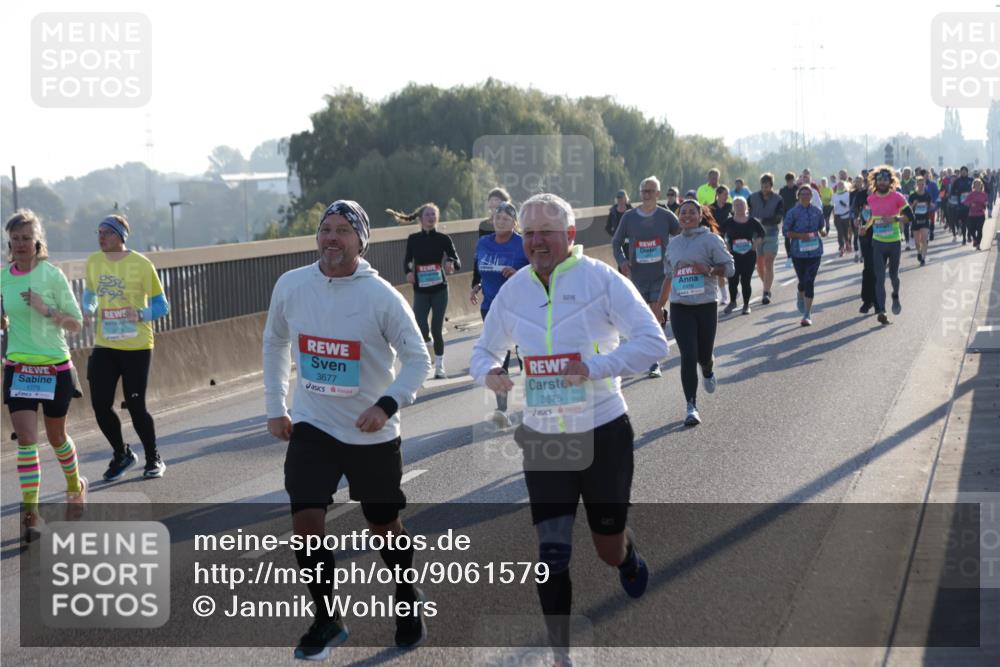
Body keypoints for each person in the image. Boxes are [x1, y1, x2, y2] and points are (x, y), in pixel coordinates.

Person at [470, 193, 667, 667]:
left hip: (603, 431)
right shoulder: (515, 291)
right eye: (529, 233)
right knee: (552, 552)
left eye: (546, 233)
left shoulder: (601, 281)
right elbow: (482, 352)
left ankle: (627, 556)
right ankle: (562, 654)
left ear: (570, 236)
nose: (536, 242)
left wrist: (595, 367)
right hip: (544, 439)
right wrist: (490, 374)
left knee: (607, 548)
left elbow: (654, 343)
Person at [263, 200, 432, 659]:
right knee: (305, 522)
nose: (331, 237)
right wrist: (276, 405)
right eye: (325, 229)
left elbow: (419, 360)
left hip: (370, 430)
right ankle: (327, 618)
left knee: (383, 524)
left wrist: (386, 403)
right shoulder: (293, 285)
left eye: (343, 230)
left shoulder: (381, 297)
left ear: (361, 240)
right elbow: (276, 340)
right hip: (313, 424)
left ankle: (405, 593)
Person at [3, 210, 86, 542]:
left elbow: (77, 322)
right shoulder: (3, 277)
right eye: (16, 239)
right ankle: (30, 515)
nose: (21, 244)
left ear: (37, 241)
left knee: (56, 438)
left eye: (27, 238)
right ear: (8, 242)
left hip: (54, 368)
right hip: (19, 368)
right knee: (26, 440)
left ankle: (74, 485)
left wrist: (45, 309)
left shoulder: (52, 275)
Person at [82, 215, 170, 481]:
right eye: (98, 232)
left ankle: (153, 457)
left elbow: (162, 305)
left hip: (137, 346)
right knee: (99, 404)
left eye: (107, 232)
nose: (101, 237)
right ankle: (122, 454)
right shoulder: (94, 262)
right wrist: (88, 309)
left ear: (121, 236)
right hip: (105, 344)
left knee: (135, 405)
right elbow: (90, 293)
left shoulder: (142, 264)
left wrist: (141, 314)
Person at [655, 200, 734, 426]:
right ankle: (691, 406)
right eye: (683, 213)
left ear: (700, 216)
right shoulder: (673, 244)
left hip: (706, 305)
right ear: (679, 217)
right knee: (688, 355)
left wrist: (708, 269)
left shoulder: (711, 240)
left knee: (703, 354)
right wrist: (659, 306)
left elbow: (729, 269)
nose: (687, 216)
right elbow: (668, 276)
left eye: (692, 212)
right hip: (680, 307)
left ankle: (707, 368)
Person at [612, 176, 680, 378]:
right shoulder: (629, 217)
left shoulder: (666, 216)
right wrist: (623, 262)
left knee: (654, 309)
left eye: (650, 191)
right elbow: (616, 242)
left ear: (658, 194)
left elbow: (681, 235)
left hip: (661, 274)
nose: (646, 194)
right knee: (644, 316)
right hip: (638, 276)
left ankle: (653, 361)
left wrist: (675, 257)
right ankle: (655, 336)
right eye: (643, 191)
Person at [470, 201, 528, 426]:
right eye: (497, 217)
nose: (500, 221)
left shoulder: (522, 244)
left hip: (520, 307)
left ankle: (533, 401)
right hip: (491, 308)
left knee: (526, 354)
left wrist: (518, 272)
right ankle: (502, 409)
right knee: (497, 358)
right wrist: (477, 284)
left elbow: (538, 269)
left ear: (514, 223)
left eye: (505, 218)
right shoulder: (483, 242)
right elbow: (480, 267)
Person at [393, 203, 461, 379]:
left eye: (434, 215)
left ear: (437, 218)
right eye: (428, 215)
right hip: (421, 290)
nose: (431, 218)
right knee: (420, 325)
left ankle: (439, 367)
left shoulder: (443, 238)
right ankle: (429, 344)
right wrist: (408, 272)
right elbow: (408, 261)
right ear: (421, 219)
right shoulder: (413, 239)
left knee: (436, 328)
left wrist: (451, 263)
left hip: (439, 289)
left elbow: (456, 259)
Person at [860, 167, 914, 325]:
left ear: (890, 181)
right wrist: (866, 227)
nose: (882, 182)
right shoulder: (871, 199)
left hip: (894, 242)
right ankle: (882, 311)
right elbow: (872, 217)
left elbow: (910, 216)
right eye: (879, 179)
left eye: (885, 179)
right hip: (877, 242)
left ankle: (895, 296)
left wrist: (895, 219)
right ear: (875, 181)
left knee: (893, 276)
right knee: (879, 278)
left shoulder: (897, 197)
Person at [783, 186, 828, 326]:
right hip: (798, 252)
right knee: (803, 281)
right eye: (802, 194)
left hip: (815, 252)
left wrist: (823, 231)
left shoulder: (817, 211)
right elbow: (786, 231)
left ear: (811, 196)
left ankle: (807, 314)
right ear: (798, 196)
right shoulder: (793, 212)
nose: (805, 196)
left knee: (809, 280)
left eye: (807, 194)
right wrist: (800, 235)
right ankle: (800, 292)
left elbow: (822, 226)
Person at [722, 197, 765, 315]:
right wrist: (726, 244)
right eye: (736, 205)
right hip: (733, 255)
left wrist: (756, 243)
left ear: (746, 206)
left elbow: (762, 233)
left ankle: (746, 305)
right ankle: (732, 302)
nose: (739, 207)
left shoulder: (752, 221)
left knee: (746, 280)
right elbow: (720, 233)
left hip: (749, 255)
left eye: (741, 204)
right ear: (733, 207)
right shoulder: (729, 222)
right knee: (732, 280)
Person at [749, 173, 785, 304]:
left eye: (767, 186)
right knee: (759, 266)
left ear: (771, 186)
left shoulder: (778, 199)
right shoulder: (752, 198)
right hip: (756, 236)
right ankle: (767, 286)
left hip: (771, 234)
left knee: (768, 262)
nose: (765, 189)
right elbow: (747, 213)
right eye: (763, 186)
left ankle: (765, 293)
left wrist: (763, 219)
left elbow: (778, 217)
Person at [471, 187, 512, 298]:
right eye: (491, 200)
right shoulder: (484, 225)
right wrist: (476, 282)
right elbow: (480, 254)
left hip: (508, 269)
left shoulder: (513, 222)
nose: (494, 203)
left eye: (497, 200)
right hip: (491, 270)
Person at [709, 186, 734, 307]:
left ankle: (733, 289)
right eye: (725, 194)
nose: (726, 197)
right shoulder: (710, 208)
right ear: (718, 194)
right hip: (715, 240)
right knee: (719, 267)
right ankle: (724, 296)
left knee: (730, 265)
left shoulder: (730, 206)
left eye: (727, 194)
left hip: (729, 239)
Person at [907, 177, 934, 265]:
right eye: (919, 184)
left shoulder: (927, 195)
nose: (921, 186)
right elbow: (908, 208)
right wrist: (914, 204)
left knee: (924, 239)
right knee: (917, 241)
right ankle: (919, 252)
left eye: (922, 184)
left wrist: (930, 205)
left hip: (925, 219)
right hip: (915, 220)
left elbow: (931, 206)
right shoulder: (913, 195)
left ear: (924, 185)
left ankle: (923, 257)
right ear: (917, 185)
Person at [779, 172, 799, 267]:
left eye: (791, 181)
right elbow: (779, 203)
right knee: (787, 237)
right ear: (786, 181)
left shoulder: (797, 189)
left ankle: (797, 255)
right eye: (788, 181)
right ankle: (789, 257)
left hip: (797, 217)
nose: (790, 183)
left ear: (794, 180)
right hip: (786, 217)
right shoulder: (782, 190)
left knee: (796, 236)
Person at [964, 178, 989, 251]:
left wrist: (985, 204)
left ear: (981, 186)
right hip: (972, 215)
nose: (977, 186)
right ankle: (975, 239)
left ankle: (978, 245)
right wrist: (971, 204)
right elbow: (965, 202)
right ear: (974, 186)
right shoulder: (971, 194)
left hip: (981, 214)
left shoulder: (984, 194)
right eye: (976, 185)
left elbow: (986, 202)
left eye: (979, 185)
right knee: (971, 230)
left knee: (979, 230)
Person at [831, 180, 853, 257]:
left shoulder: (848, 194)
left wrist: (845, 205)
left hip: (846, 215)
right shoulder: (834, 195)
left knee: (846, 232)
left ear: (845, 186)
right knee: (840, 233)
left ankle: (847, 242)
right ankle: (841, 248)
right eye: (839, 185)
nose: (840, 186)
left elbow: (851, 204)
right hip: (837, 216)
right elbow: (831, 204)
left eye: (842, 185)